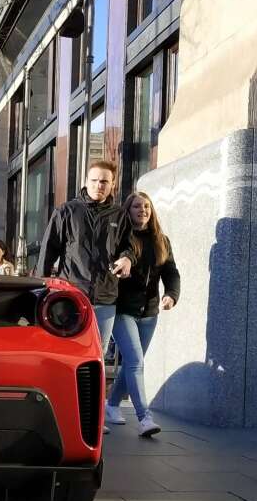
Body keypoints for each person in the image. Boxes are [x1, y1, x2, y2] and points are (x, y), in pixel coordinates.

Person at [39, 160, 133, 433]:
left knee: (97, 358)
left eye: (104, 181)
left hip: (105, 298)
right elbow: (49, 250)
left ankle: (93, 417)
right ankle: (64, 411)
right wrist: (42, 286)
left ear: (112, 184)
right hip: (71, 298)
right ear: (86, 180)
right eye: (94, 180)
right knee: (66, 356)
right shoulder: (67, 211)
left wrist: (127, 258)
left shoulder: (120, 214)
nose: (98, 185)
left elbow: (129, 246)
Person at [105, 192, 180, 437]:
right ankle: (144, 417)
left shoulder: (162, 240)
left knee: (131, 363)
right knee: (136, 361)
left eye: (147, 206)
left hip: (149, 311)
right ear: (128, 211)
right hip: (123, 310)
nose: (143, 210)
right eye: (137, 206)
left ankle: (112, 404)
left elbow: (171, 271)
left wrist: (171, 294)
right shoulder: (120, 238)